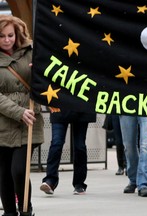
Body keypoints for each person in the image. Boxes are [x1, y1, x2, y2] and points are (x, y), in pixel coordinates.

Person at [0, 15, 44, 216]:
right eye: (1, 36)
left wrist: (41, 74)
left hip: (30, 123)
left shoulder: (32, 51)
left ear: (17, 33)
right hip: (3, 124)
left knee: (18, 170)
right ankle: (9, 213)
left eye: (10, 35)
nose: (7, 40)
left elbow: (49, 80)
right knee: (4, 174)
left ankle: (26, 210)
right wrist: (18, 112)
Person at [40, 110, 96, 195]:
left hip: (81, 107)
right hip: (59, 106)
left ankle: (79, 183)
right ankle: (50, 180)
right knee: (56, 143)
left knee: (79, 146)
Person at [119, 116, 147, 197]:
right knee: (128, 146)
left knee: (146, 145)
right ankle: (133, 179)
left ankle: (143, 183)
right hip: (127, 106)